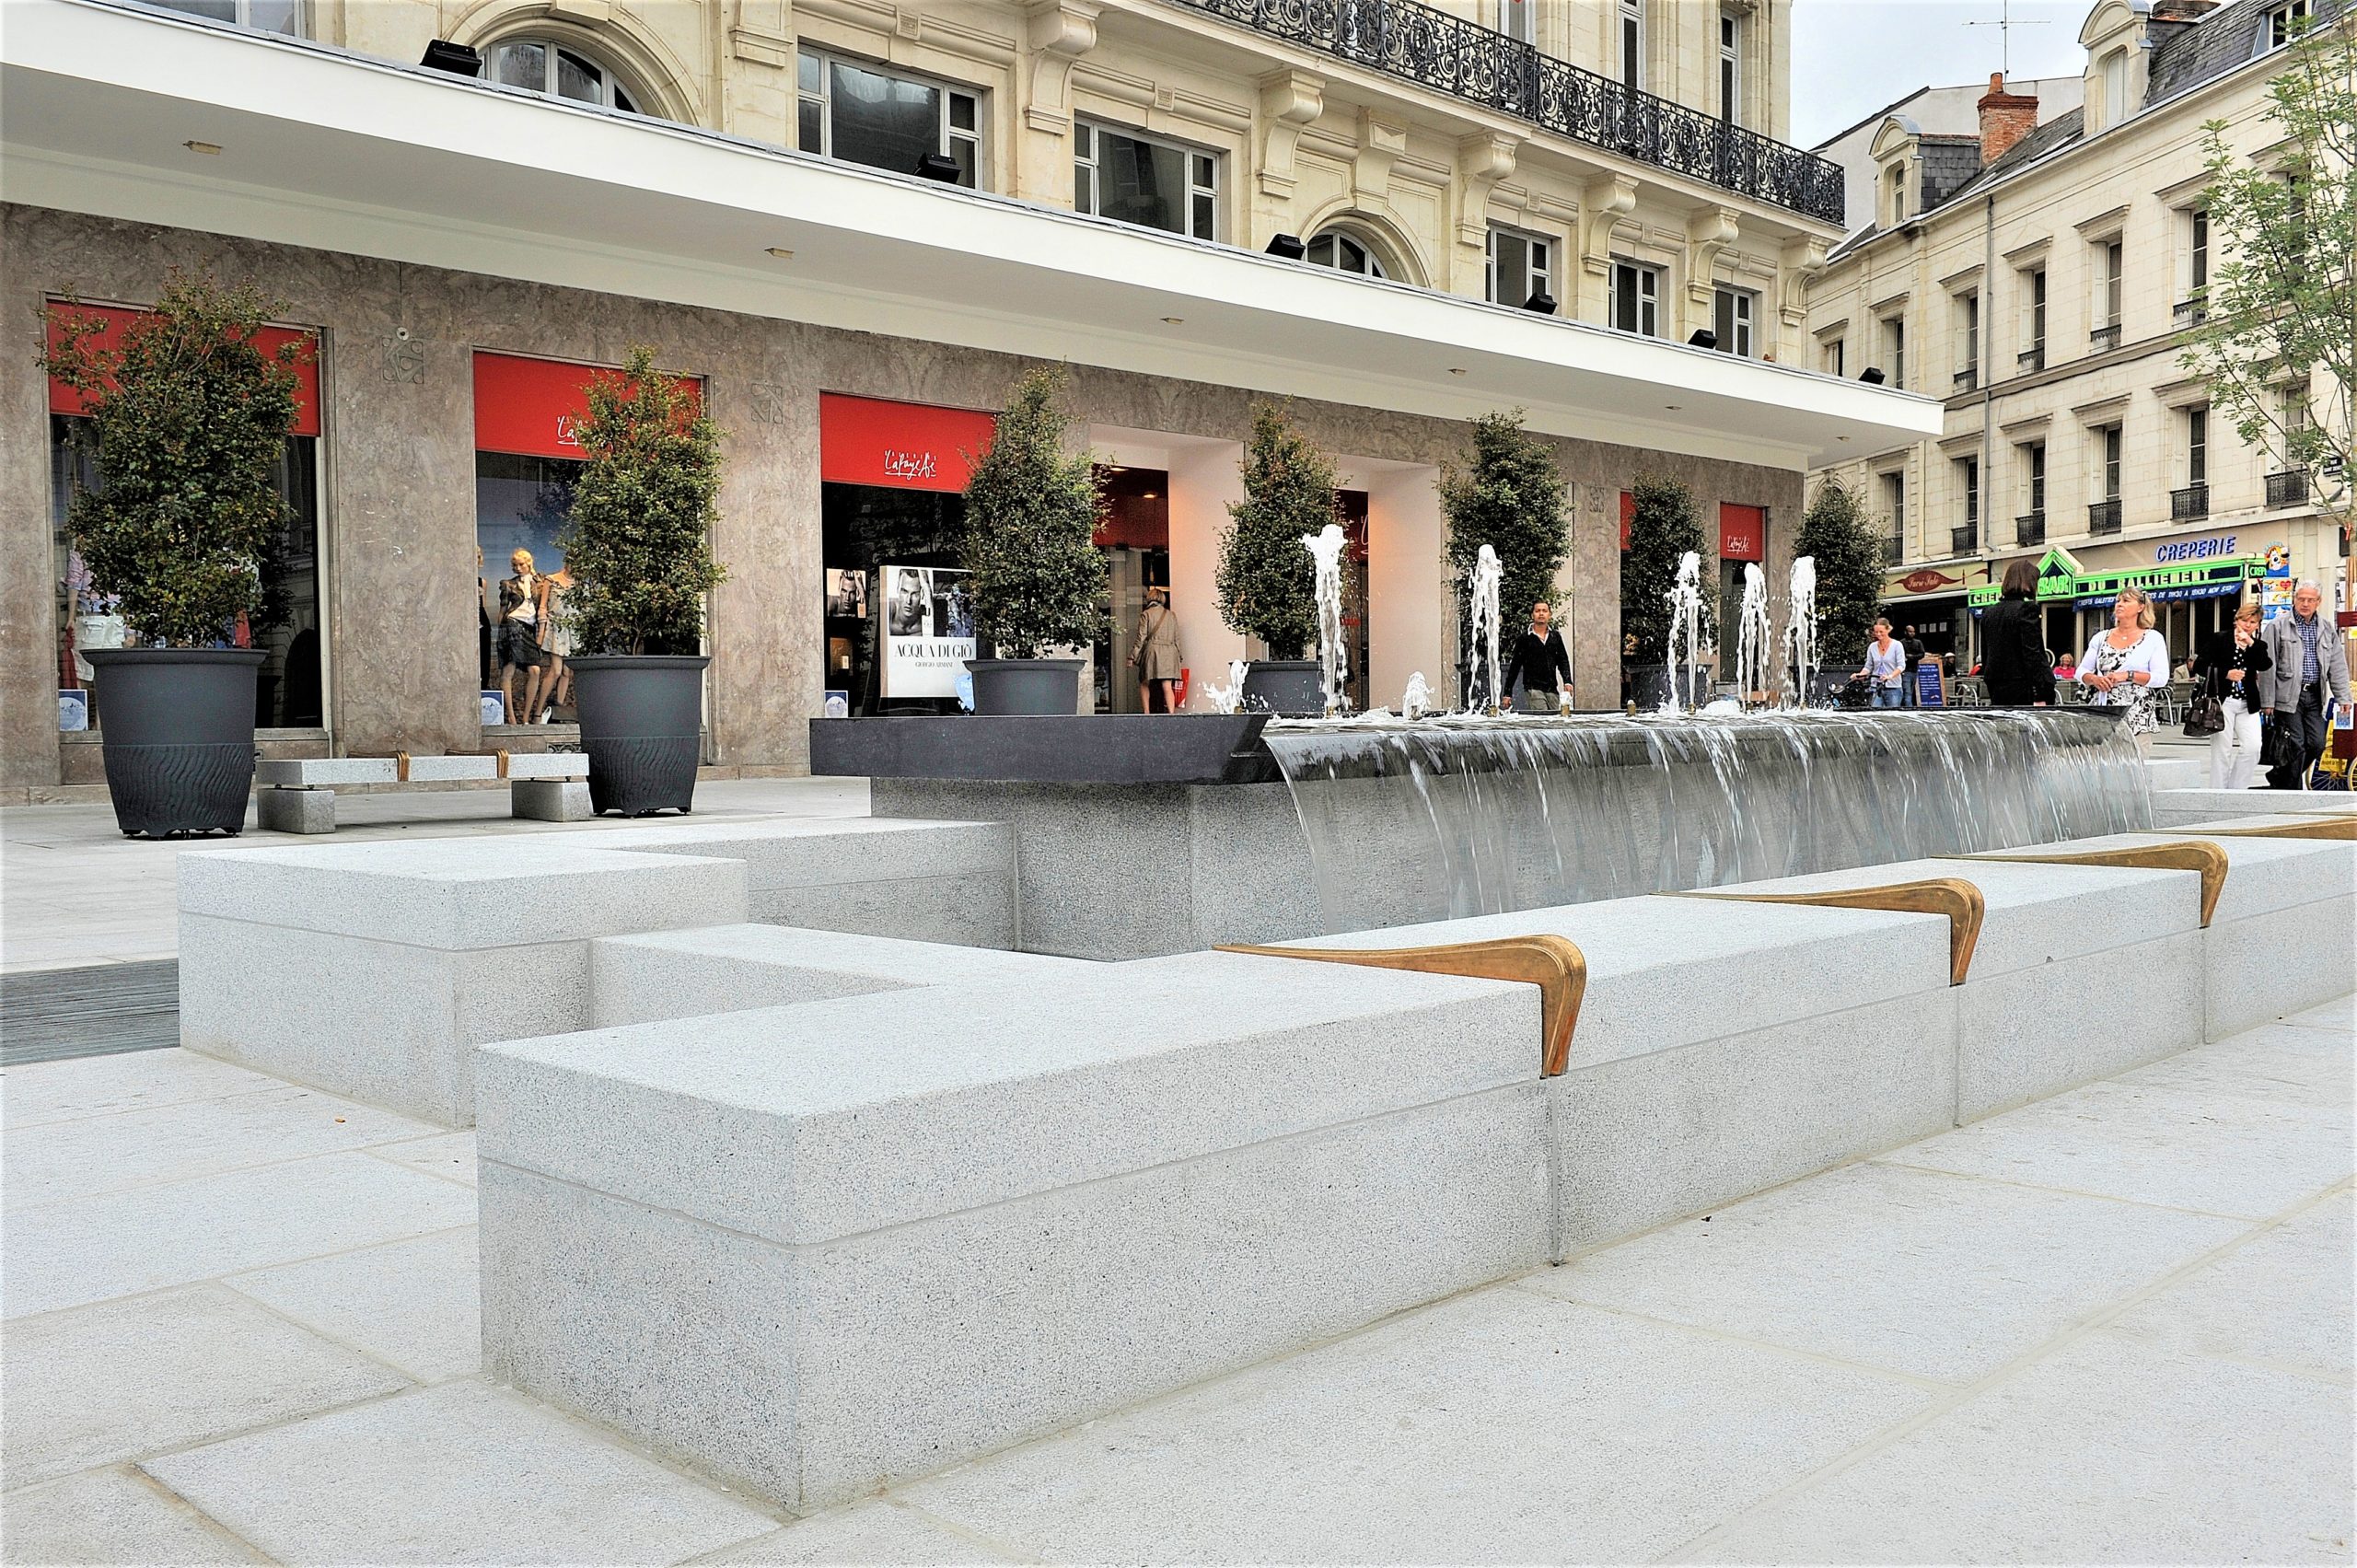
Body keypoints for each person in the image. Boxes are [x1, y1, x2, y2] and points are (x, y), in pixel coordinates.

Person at [2259, 579, 2354, 789]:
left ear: (2318, 602)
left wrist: (2343, 698)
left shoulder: (2326, 628)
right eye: (2301, 599)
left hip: (2314, 696)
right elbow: (2267, 665)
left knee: (2317, 743)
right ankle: (2293, 791)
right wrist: (2267, 700)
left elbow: (2337, 665)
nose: (2305, 603)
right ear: (2294, 600)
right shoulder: (2277, 626)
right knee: (2296, 745)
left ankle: (2279, 776)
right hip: (2287, 695)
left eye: (2310, 600)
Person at [2190, 603, 2271, 790]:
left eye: (2253, 622)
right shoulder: (2220, 639)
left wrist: (2250, 643)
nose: (2247, 625)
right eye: (2244, 620)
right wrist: (2226, 673)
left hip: (2247, 703)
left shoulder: (2258, 645)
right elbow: (2199, 665)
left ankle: (2237, 789)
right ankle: (2218, 791)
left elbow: (2265, 664)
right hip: (2221, 701)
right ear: (2236, 621)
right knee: (2221, 750)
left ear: (2258, 625)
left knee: (2253, 747)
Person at [2078, 586, 2170, 747]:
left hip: (2137, 716)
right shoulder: (2101, 637)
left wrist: (2128, 675)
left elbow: (2161, 678)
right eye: (2118, 601)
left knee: (2133, 768)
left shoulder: (2152, 638)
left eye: (2126, 601)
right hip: (2102, 713)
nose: (2119, 604)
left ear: (2141, 607)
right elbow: (2081, 671)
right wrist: (2094, 679)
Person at [1980, 560, 2055, 706]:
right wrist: (2039, 693)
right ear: (2028, 582)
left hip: (1997, 686)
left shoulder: (1989, 612)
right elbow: (2032, 654)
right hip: (2024, 686)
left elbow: (1986, 653)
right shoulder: (2027, 610)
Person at [496, 549, 548, 726]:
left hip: (529, 629)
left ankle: (526, 717)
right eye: (515, 565)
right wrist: (500, 634)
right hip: (512, 625)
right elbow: (503, 610)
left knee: (535, 670)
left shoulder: (539, 582)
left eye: (521, 564)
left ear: (529, 564)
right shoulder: (508, 584)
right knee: (508, 669)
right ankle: (511, 717)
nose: (518, 568)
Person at [1502, 600, 1573, 714]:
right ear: (1532, 615)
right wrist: (1507, 693)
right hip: (1533, 689)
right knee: (1543, 721)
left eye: (1544, 611)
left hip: (1552, 689)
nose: (1541, 614)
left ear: (1549, 615)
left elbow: (1563, 660)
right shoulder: (1525, 638)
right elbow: (1515, 666)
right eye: (1537, 611)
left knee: (1557, 721)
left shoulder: (1555, 637)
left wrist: (1567, 681)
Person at [1129, 587, 1182, 714]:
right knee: (1167, 685)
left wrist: (1132, 656)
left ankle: (1147, 712)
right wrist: (1179, 656)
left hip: (1153, 651)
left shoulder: (1146, 614)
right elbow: (1177, 638)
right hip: (1170, 652)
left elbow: (1141, 637)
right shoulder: (1171, 615)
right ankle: (1171, 713)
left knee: (1145, 681)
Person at [1859, 619, 1908, 707]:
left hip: (1893, 687)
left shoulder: (1897, 645)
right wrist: (1860, 675)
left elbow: (1901, 666)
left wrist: (1890, 676)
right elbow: (1868, 666)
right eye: (1876, 632)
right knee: (1875, 712)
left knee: (1892, 714)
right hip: (1876, 686)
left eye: (1881, 632)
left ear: (1888, 630)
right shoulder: (1872, 647)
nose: (1878, 634)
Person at [1899, 624, 1926, 706]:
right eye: (1910, 632)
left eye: (1913, 632)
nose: (1912, 633)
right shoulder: (1901, 643)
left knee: (1910, 690)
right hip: (1905, 670)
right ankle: (1908, 708)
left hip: (1914, 670)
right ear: (1905, 632)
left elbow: (1922, 654)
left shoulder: (1918, 642)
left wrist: (1912, 657)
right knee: (1907, 691)